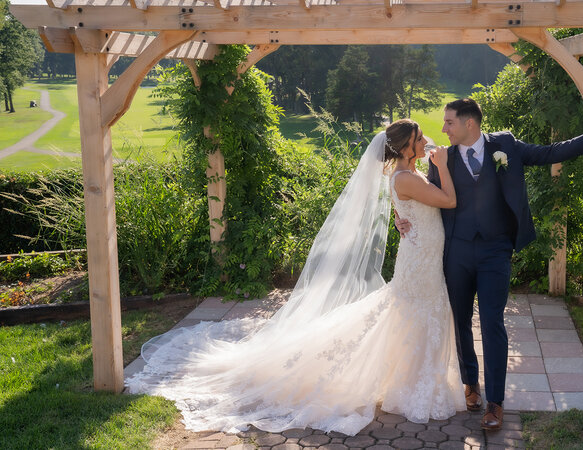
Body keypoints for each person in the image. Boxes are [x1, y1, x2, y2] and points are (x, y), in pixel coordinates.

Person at [125, 119, 465, 436]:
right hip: (419, 262)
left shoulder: (409, 174)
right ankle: (408, 385)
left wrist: (402, 214)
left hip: (423, 257)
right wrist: (444, 167)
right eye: (419, 139)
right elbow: (448, 200)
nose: (426, 141)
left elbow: (410, 205)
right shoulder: (406, 177)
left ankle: (409, 384)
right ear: (406, 147)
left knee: (414, 316)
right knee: (411, 313)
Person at [396, 98, 583, 430]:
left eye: (449, 122)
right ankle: (470, 384)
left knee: (493, 322)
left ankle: (495, 403)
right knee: (461, 320)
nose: (443, 129)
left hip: (497, 250)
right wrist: (401, 217)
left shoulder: (505, 145)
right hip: (457, 251)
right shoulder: (443, 158)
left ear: (470, 124)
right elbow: (423, 197)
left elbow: (548, 153)